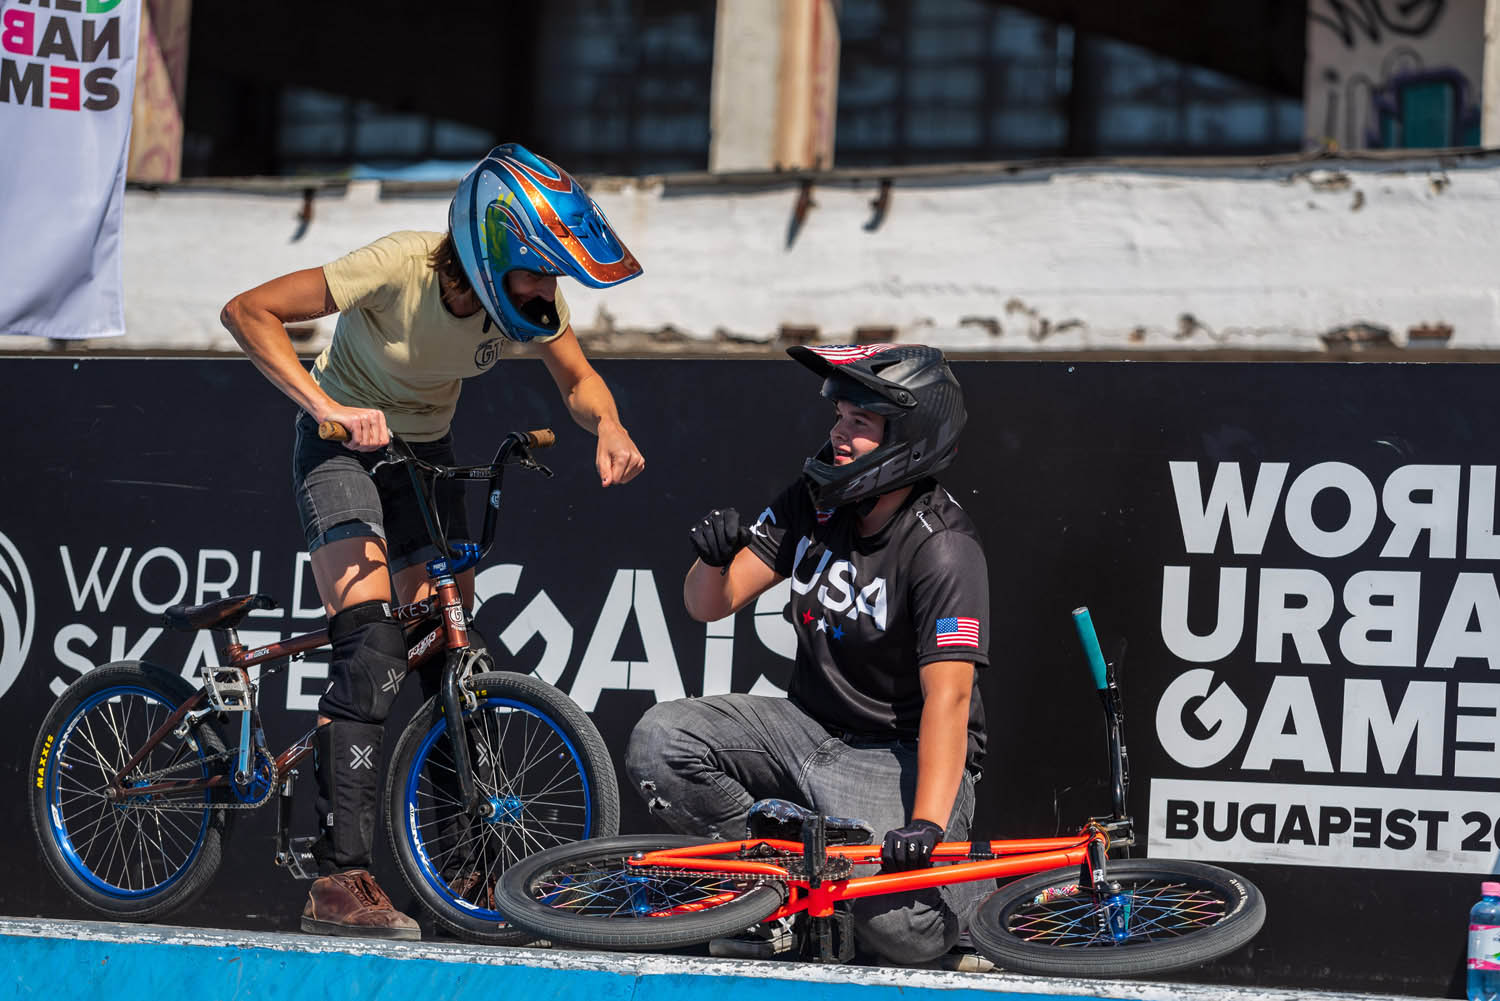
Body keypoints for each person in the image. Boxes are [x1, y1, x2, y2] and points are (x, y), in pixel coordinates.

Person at [220, 143, 645, 940]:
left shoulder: (521, 305)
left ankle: (471, 866)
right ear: (490, 253)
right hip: (341, 446)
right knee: (374, 643)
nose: (548, 293)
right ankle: (336, 879)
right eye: (538, 272)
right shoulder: (398, 265)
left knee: (451, 652)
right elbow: (248, 309)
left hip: (422, 458)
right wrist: (323, 405)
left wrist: (610, 422)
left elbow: (579, 380)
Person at [625, 343, 990, 966]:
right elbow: (709, 603)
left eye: (860, 424)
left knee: (898, 931)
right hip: (808, 730)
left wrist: (927, 822)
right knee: (661, 741)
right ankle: (771, 896)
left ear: (912, 437)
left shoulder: (945, 548)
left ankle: (973, 898)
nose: (839, 435)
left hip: (897, 752)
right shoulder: (814, 498)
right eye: (839, 417)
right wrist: (711, 559)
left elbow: (949, 700)